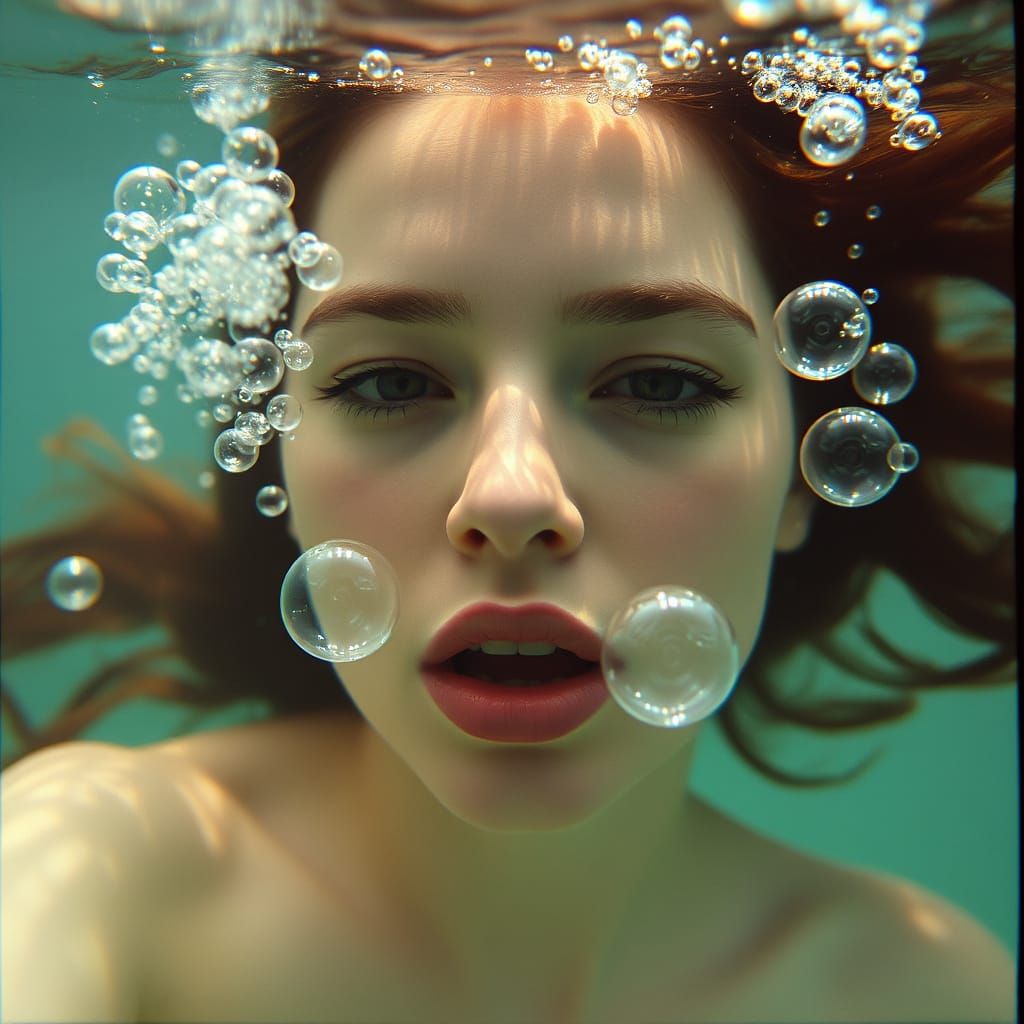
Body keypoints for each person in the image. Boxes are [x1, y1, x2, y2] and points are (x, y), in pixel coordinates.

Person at [1, 3, 1015, 1021]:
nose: (512, 495)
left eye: (659, 385)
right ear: (280, 461)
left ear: (808, 465)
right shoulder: (88, 871)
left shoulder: (923, 990)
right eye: (392, 384)